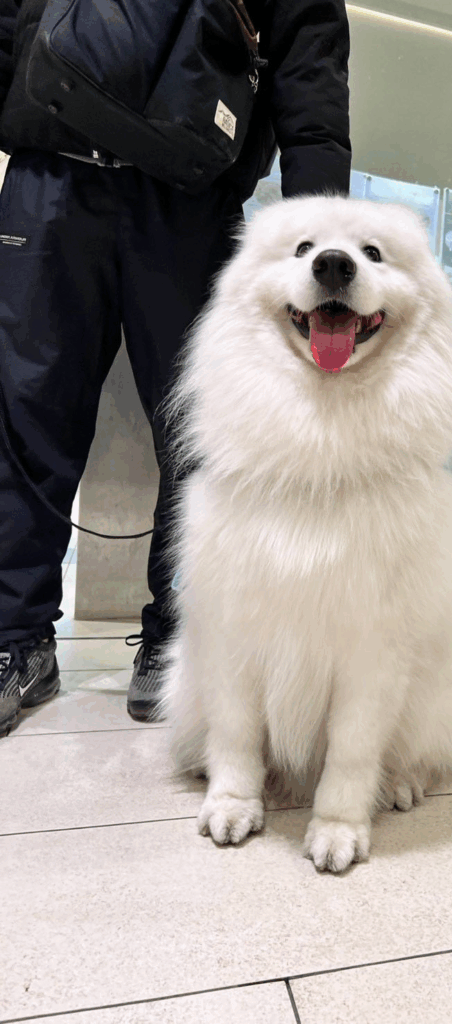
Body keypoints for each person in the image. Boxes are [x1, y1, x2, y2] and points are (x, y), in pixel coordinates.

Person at [0, 0, 351, 736]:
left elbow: (307, 73)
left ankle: (179, 636)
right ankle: (14, 634)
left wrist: (324, 256)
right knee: (24, 415)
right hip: (52, 169)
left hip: (187, 194)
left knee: (201, 438)